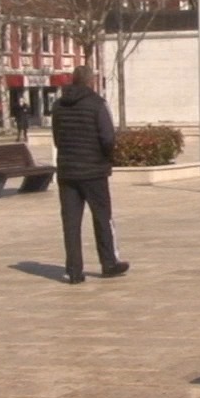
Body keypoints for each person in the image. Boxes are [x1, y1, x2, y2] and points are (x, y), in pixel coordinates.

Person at [51, 65, 128, 285]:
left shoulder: (58, 105)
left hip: (67, 171)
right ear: (91, 82)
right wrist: (106, 158)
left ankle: (74, 271)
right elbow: (108, 138)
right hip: (93, 170)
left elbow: (57, 137)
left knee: (71, 223)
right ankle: (109, 262)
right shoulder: (97, 105)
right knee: (103, 217)